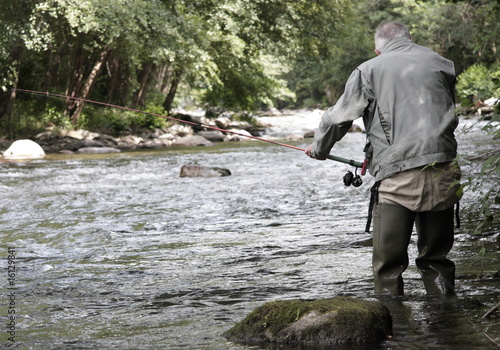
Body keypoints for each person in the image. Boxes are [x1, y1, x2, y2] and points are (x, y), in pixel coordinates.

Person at [305, 21, 461, 296]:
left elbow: (337, 119)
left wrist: (319, 149)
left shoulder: (368, 70)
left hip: (397, 177)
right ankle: (446, 321)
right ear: (409, 38)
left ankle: (392, 327)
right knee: (436, 260)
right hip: (444, 172)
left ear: (379, 50)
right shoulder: (442, 63)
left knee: (388, 267)